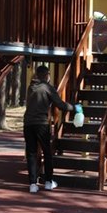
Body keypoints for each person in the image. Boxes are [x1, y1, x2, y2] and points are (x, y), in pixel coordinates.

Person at [23, 64, 75, 193]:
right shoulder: (47, 88)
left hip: (28, 123)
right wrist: (74, 107)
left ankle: (33, 184)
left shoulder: (31, 87)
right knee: (47, 152)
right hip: (41, 123)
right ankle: (48, 181)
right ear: (47, 75)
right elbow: (60, 105)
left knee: (31, 153)